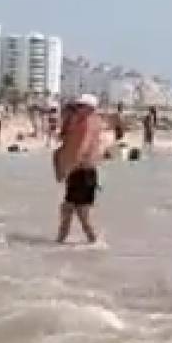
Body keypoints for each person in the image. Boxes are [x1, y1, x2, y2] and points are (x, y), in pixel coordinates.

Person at [56, 93, 104, 244]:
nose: (78, 108)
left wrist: (67, 169)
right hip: (80, 171)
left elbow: (82, 149)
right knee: (69, 208)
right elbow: (65, 141)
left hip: (83, 172)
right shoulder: (84, 121)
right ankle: (62, 240)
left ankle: (93, 241)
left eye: (81, 106)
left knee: (79, 212)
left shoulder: (88, 123)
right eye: (77, 106)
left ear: (90, 108)